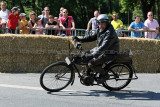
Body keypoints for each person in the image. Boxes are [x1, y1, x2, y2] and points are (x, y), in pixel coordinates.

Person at [73, 14, 119, 84]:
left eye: (102, 23)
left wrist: (93, 55)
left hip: (109, 52)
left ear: (106, 23)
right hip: (101, 49)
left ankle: (105, 75)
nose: (100, 25)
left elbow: (104, 46)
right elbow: (91, 37)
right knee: (85, 55)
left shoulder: (110, 32)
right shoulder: (100, 29)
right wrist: (80, 39)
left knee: (91, 63)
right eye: (99, 23)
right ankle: (89, 74)